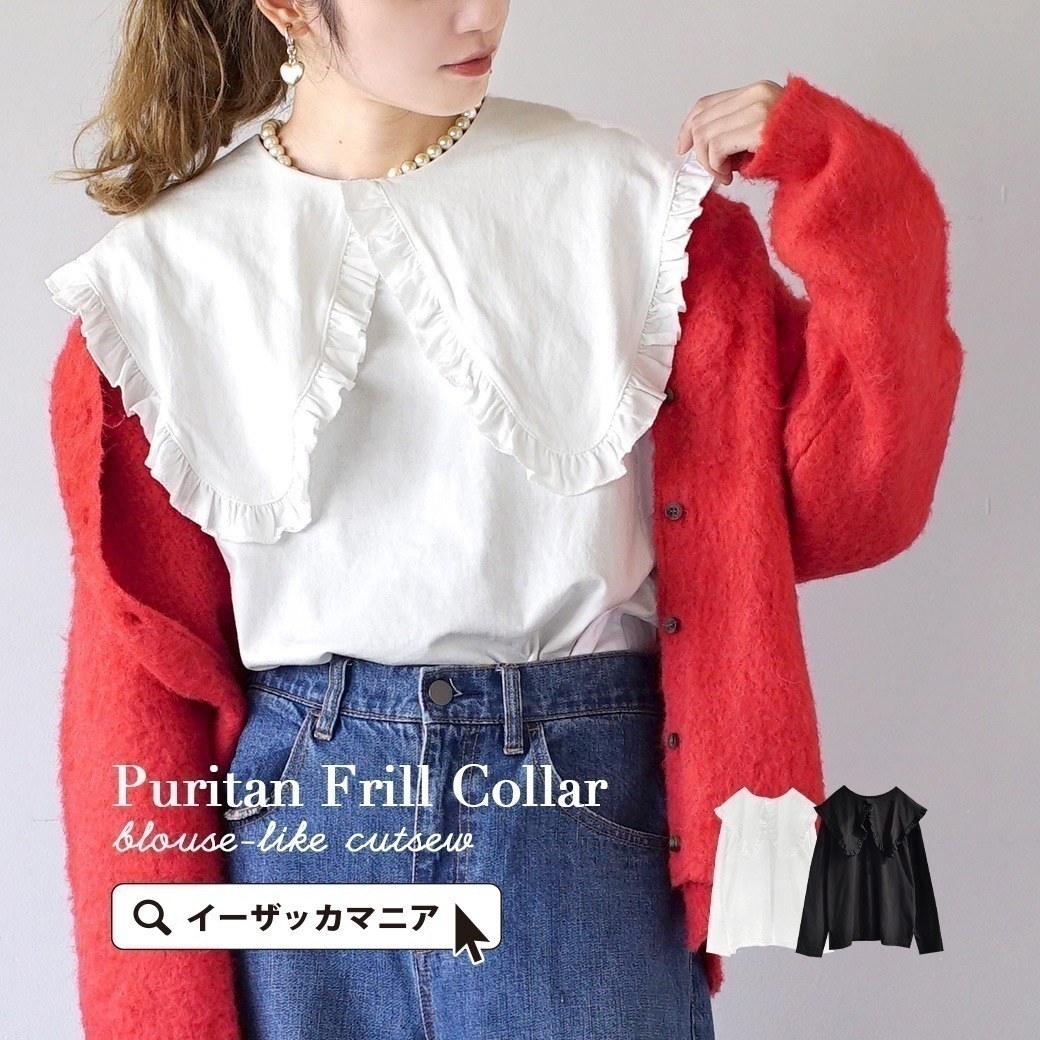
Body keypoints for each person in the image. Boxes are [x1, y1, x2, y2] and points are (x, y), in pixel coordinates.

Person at [43, 2, 965, 1038]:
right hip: (302, 831)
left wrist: (840, 180)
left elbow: (855, 506)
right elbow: (138, 693)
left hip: (574, 813)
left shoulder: (635, 214)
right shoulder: (162, 276)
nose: (481, 12)